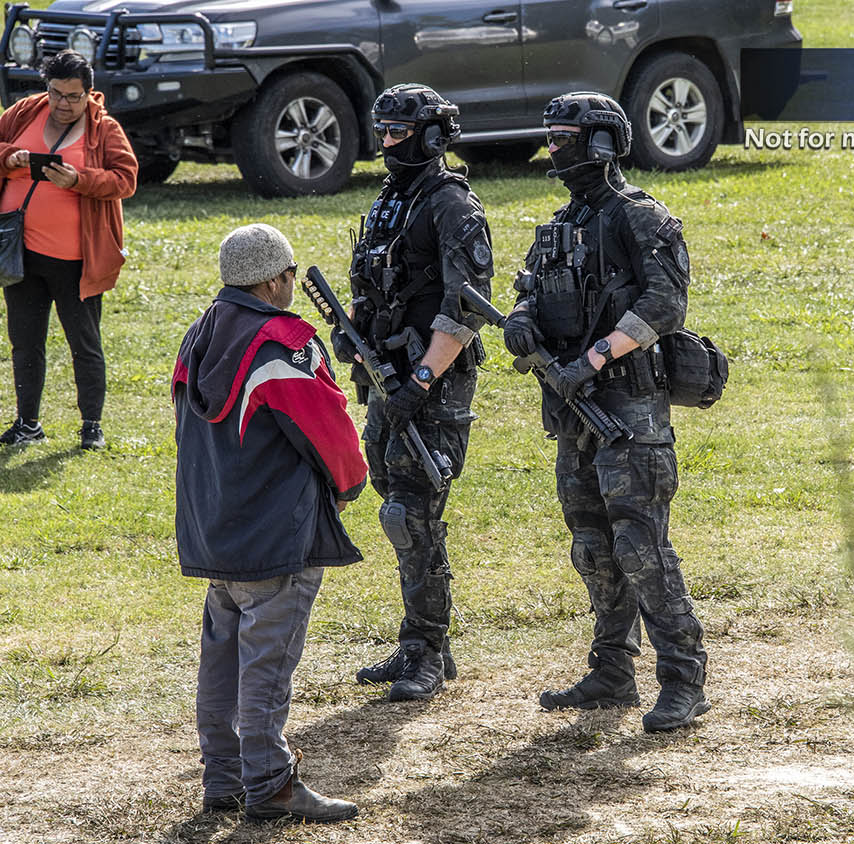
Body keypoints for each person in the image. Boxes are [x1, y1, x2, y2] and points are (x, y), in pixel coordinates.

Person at [505, 92, 708, 733]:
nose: (553, 150)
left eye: (564, 138)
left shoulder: (639, 217)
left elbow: (665, 302)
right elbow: (530, 291)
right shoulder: (562, 224)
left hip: (629, 410)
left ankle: (682, 679)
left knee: (641, 546)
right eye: (551, 137)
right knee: (592, 547)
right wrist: (519, 322)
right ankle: (613, 670)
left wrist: (593, 359)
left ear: (599, 143)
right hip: (574, 415)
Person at [172, 223, 367, 823]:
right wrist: (351, 482)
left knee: (223, 657)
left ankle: (224, 779)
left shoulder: (199, 334)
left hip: (214, 524)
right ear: (273, 280)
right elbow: (327, 426)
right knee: (266, 662)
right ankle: (272, 784)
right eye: (288, 275)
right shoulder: (284, 343)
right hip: (274, 530)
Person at [344, 84, 493, 702]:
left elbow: (466, 307)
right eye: (382, 131)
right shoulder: (389, 201)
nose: (386, 143)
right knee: (397, 507)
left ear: (433, 136)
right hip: (386, 377)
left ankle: (427, 651)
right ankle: (421, 642)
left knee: (413, 514)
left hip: (429, 382)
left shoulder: (452, 205)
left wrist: (422, 381)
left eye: (398, 132)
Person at [0, 49, 137, 449]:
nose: (63, 104)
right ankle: (27, 424)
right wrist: (10, 157)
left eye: (73, 96)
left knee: (84, 344)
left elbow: (125, 179)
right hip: (20, 253)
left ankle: (91, 428)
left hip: (77, 261)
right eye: (56, 93)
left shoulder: (105, 129)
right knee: (25, 342)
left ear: (90, 93)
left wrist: (79, 180)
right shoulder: (26, 111)